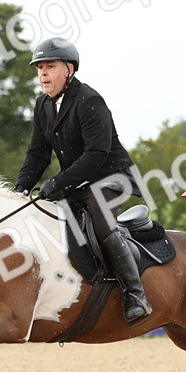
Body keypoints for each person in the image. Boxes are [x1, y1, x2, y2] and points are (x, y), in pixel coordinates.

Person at [14, 38, 152, 325]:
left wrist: (58, 182)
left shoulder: (89, 100)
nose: (43, 74)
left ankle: (135, 294)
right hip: (77, 183)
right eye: (39, 68)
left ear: (69, 69)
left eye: (50, 66)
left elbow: (96, 154)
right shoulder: (42, 106)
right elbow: (37, 155)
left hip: (111, 178)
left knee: (101, 224)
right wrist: (21, 189)